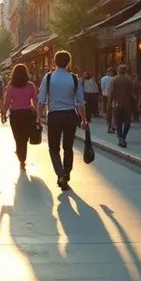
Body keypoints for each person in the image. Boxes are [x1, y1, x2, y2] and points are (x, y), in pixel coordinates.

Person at [38, 50, 87, 190]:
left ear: (54, 61)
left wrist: (38, 117)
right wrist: (83, 119)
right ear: (69, 62)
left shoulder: (48, 78)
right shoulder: (74, 79)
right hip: (70, 115)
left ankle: (60, 173)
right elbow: (80, 102)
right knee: (68, 147)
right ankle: (66, 173)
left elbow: (41, 100)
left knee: (54, 148)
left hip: (54, 116)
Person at [1, 63, 39, 170]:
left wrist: (3, 113)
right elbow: (35, 100)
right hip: (27, 114)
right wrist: (37, 114)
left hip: (15, 114)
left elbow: (7, 102)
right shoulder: (30, 85)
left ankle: (20, 157)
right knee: (25, 137)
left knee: (17, 137)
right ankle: (23, 158)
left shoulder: (11, 86)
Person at [109, 64, 139, 148]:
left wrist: (109, 102)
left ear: (118, 70)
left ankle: (120, 138)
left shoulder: (114, 79)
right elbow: (132, 93)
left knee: (118, 123)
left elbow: (111, 92)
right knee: (127, 123)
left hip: (116, 104)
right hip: (127, 104)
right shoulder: (129, 80)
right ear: (126, 70)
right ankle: (123, 137)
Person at [100, 68, 115, 133]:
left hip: (105, 94)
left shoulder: (103, 79)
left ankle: (106, 115)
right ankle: (110, 122)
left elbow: (102, 87)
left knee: (107, 106)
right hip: (111, 95)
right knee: (111, 109)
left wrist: (103, 91)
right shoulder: (113, 79)